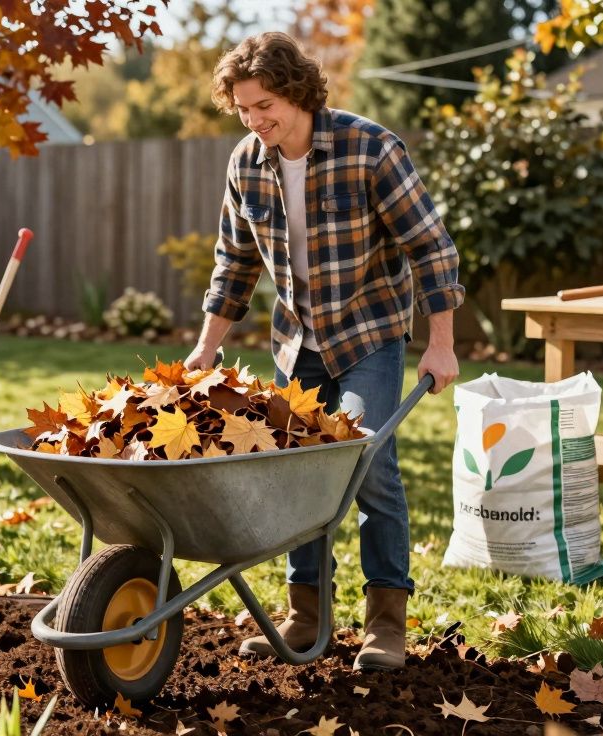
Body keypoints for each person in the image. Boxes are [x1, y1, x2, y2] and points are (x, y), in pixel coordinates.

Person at [182, 31, 464, 671]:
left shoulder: (370, 148)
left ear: (297, 91)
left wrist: (441, 343)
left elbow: (431, 248)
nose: (254, 121)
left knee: (366, 461)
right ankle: (305, 615)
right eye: (244, 110)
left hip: (368, 330)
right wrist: (205, 350)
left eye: (263, 106)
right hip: (298, 338)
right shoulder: (246, 163)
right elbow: (234, 266)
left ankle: (385, 622)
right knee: (294, 469)